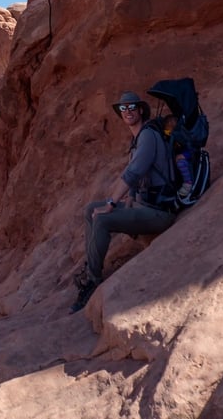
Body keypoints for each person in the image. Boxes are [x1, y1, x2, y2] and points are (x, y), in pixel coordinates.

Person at [70, 90, 178, 313]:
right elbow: (140, 178)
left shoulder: (148, 136)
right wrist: (129, 199)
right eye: (123, 108)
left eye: (131, 107)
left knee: (102, 219)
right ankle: (92, 267)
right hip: (144, 205)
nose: (127, 111)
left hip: (160, 212)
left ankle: (93, 281)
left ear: (140, 110)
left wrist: (111, 202)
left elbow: (133, 173)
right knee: (90, 209)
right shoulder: (138, 139)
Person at [162, 114, 193, 199]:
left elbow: (191, 149)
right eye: (168, 123)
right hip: (172, 160)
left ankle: (188, 183)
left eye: (172, 122)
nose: (170, 124)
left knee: (180, 163)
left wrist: (184, 155)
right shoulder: (166, 136)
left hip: (185, 156)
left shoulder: (180, 134)